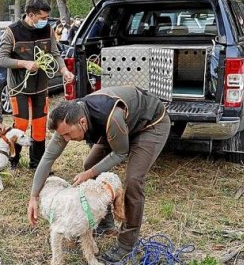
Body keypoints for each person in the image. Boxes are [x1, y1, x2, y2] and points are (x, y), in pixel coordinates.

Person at [27, 86, 171, 263]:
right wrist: (34, 196)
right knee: (90, 163)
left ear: (82, 123)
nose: (65, 139)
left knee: (133, 179)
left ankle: (126, 244)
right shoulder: (67, 120)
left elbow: (120, 153)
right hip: (120, 129)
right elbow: (48, 157)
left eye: (67, 134)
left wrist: (89, 173)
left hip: (149, 125)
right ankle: (105, 222)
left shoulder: (111, 117)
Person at [0, 0, 74, 169]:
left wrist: (64, 71)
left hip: (40, 86)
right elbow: (0, 59)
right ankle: (12, 162)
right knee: (21, 124)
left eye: (47, 18)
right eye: (43, 18)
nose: (46, 21)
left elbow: (55, 53)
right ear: (31, 15)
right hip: (19, 88)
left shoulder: (48, 30)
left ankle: (36, 164)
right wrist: (23, 63)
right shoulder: (12, 31)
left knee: (40, 126)